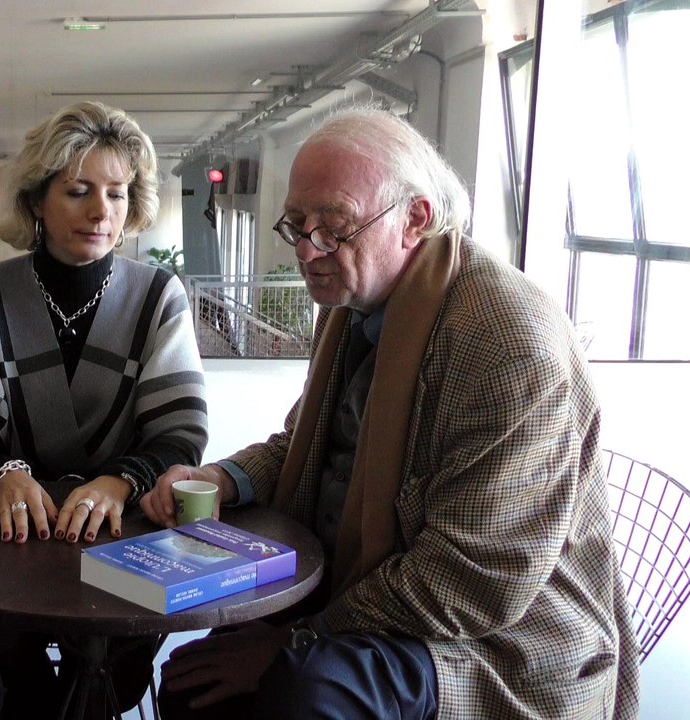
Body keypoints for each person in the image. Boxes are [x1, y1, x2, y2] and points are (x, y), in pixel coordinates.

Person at [139, 106, 640, 719]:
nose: (306, 249)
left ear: (416, 219)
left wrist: (295, 638)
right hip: (379, 596)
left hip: (498, 647)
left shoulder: (508, 340)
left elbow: (473, 580)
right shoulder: (354, 299)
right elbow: (305, 442)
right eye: (295, 224)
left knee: (305, 693)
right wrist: (224, 478)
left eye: (334, 226)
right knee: (194, 683)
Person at [0, 101, 208, 718]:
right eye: (78, 190)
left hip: (123, 532)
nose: (100, 210)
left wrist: (118, 481)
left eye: (116, 192)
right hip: (6, 536)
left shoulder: (160, 295)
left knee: (117, 668)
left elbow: (181, 432)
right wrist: (4, 475)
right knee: (6, 660)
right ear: (35, 200)